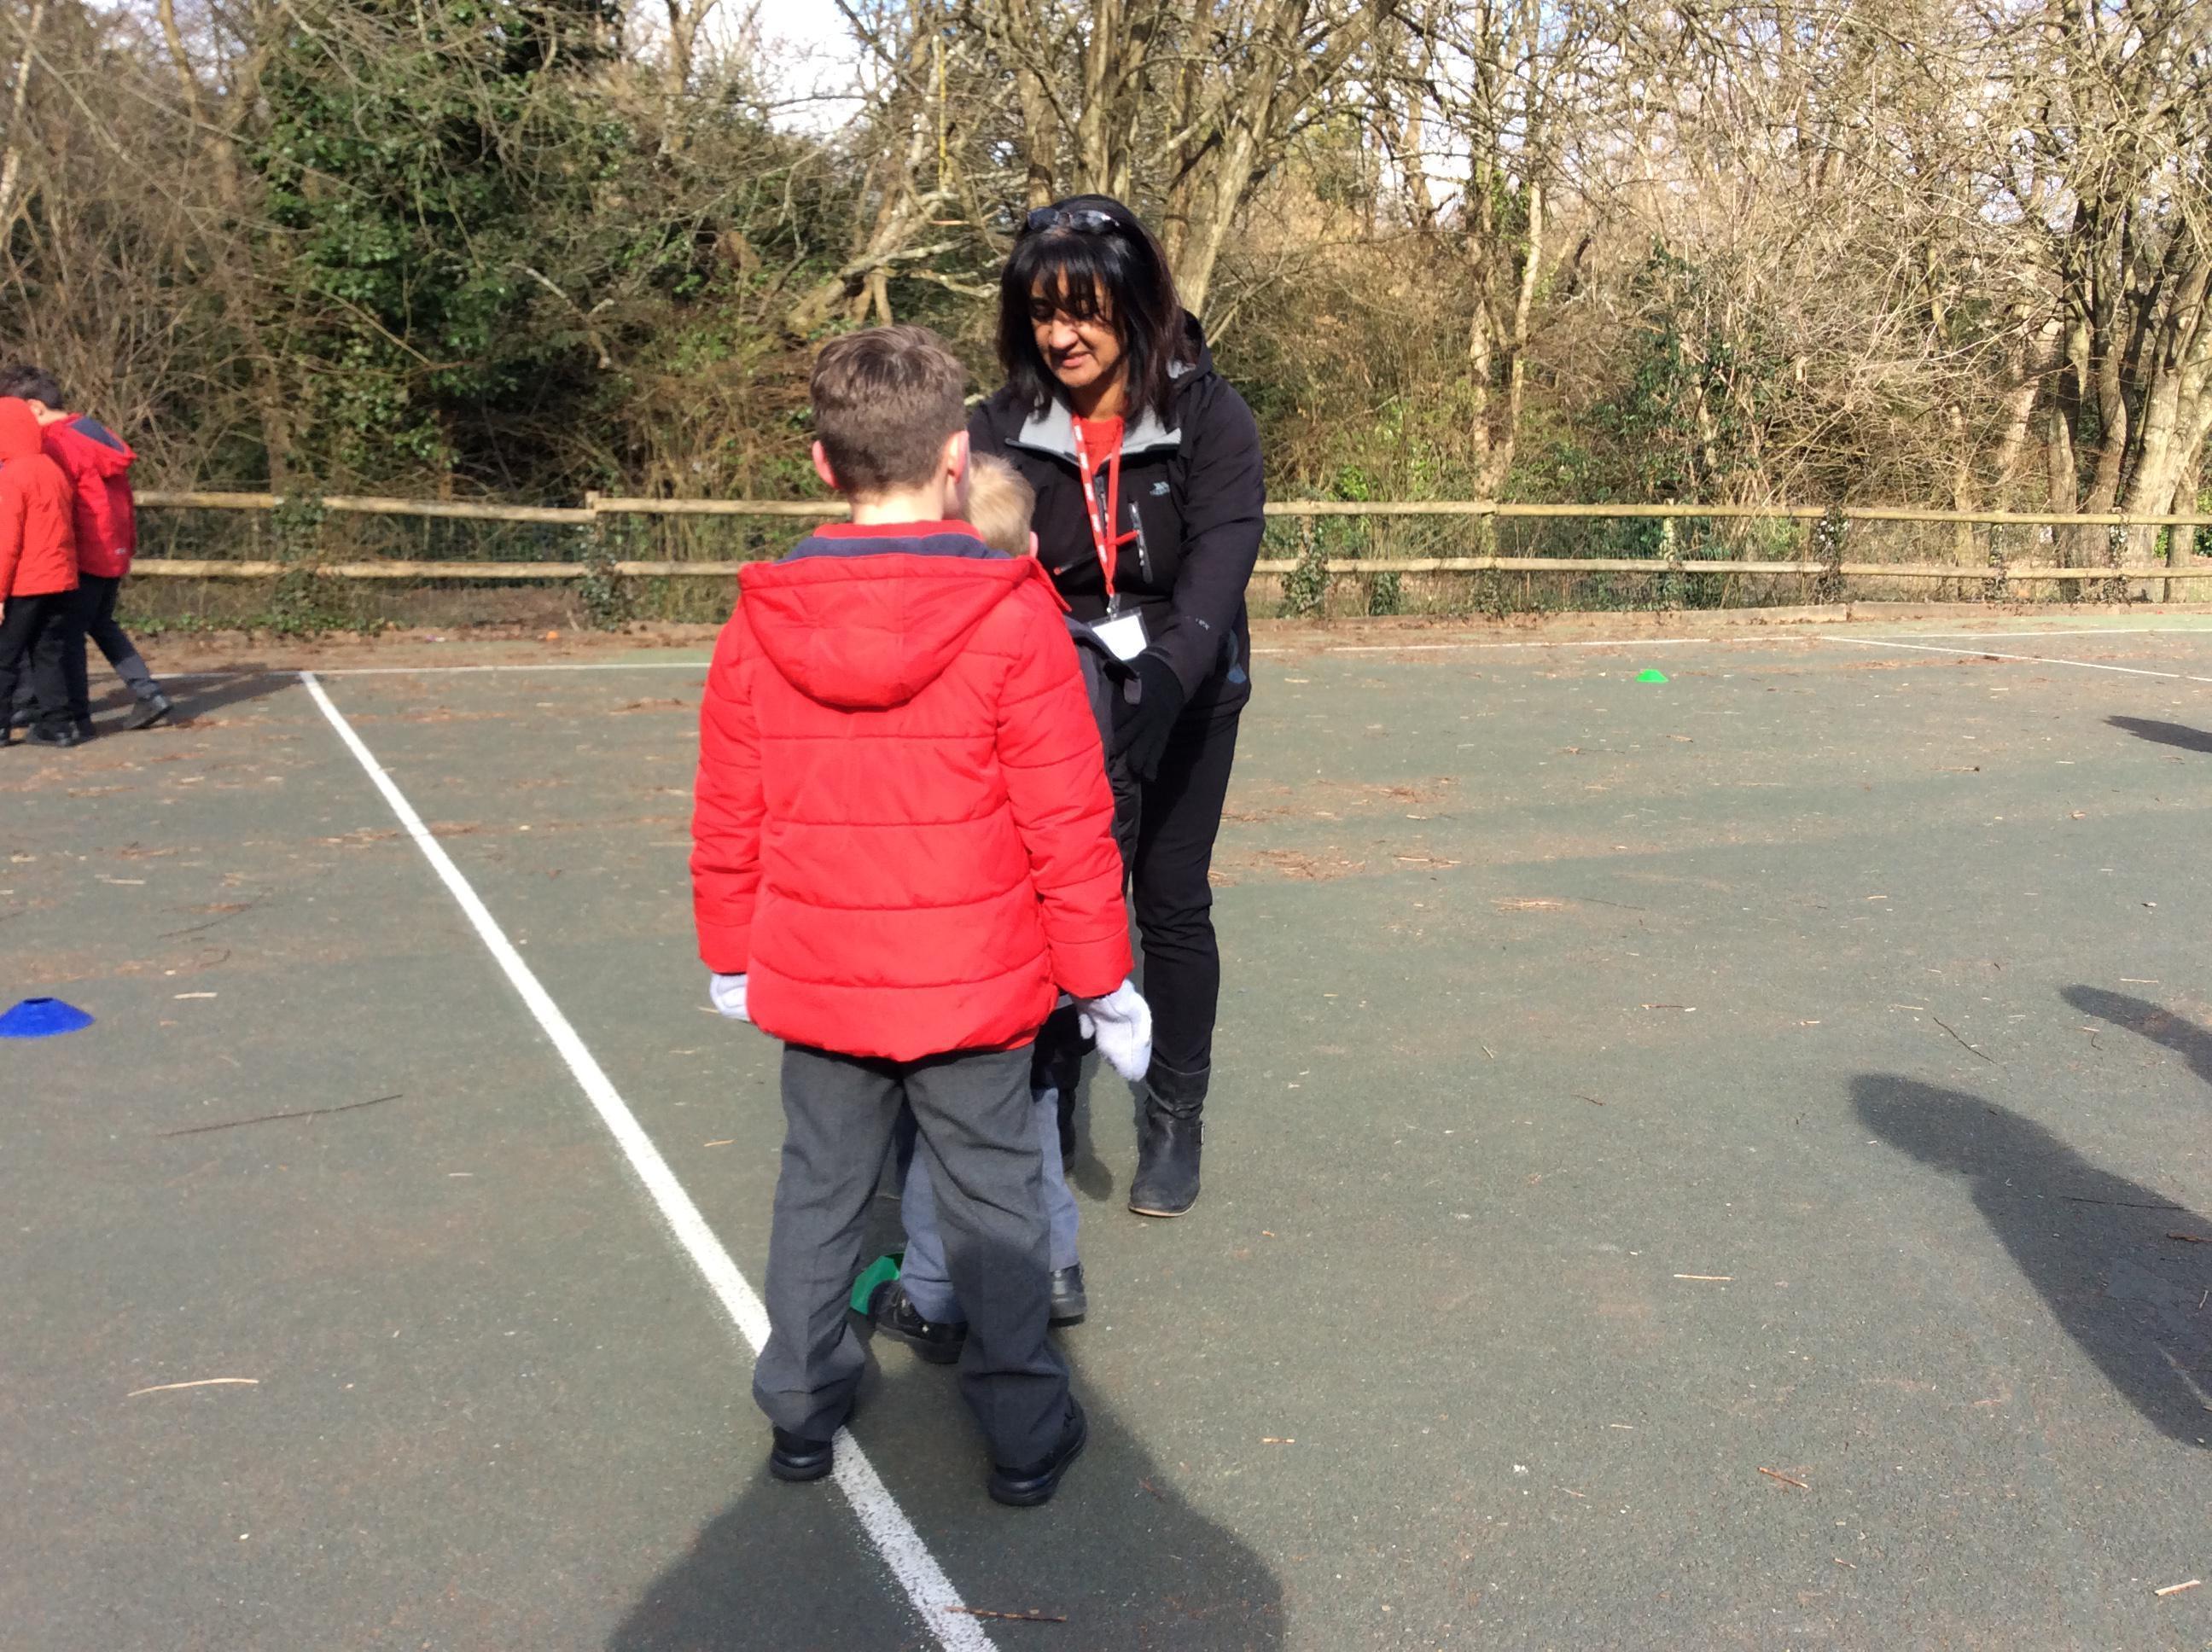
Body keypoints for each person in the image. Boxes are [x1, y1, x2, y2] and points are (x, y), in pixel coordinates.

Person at [691, 324, 1152, 1507]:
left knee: (821, 1192)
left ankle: (802, 1407)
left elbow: (729, 811)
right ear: (957, 456)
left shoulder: (759, 621)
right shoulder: (1015, 617)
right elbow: (1069, 824)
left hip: (823, 978)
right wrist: (1102, 980)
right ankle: (1023, 1432)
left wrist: (731, 953)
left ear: (821, 463)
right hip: (976, 984)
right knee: (997, 1202)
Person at [969, 195, 1265, 1218]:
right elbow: (974, 567)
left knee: (1170, 898)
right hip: (1050, 702)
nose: (1061, 336)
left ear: (1135, 305)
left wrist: (1168, 680)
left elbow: (1223, 553)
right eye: (1041, 313)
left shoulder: (1210, 415)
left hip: (1186, 688)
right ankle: (1049, 1101)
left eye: (1084, 311)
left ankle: (1175, 1114)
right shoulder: (996, 428)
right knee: (1051, 903)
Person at [865, 454, 1139, 1358]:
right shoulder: (1071, 647)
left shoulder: (961, 652)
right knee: (1035, 1105)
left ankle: (935, 1289)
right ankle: (1055, 1264)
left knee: (942, 1125)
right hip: (1054, 934)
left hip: (982, 942)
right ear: (1029, 547)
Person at [0, 367, 171, 738]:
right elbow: (120, 497)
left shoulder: (53, 445)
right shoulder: (93, 432)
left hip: (76, 553)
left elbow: (44, 506)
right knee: (96, 624)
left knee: (57, 638)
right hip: (111, 547)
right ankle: (146, 692)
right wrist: (126, 546)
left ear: (34, 408)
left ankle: (72, 717)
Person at [0, 397, 83, 749]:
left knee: (4, 656)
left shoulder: (12, 475)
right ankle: (58, 726)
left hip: (25, 582)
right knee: (48, 654)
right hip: (59, 579)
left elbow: (6, 541)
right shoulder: (53, 469)